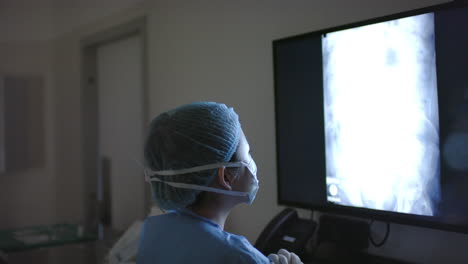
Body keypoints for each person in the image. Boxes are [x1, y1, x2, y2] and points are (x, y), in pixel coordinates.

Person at [136, 102, 302, 264]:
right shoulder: (239, 256)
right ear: (226, 177)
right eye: (248, 153)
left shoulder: (152, 230)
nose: (252, 161)